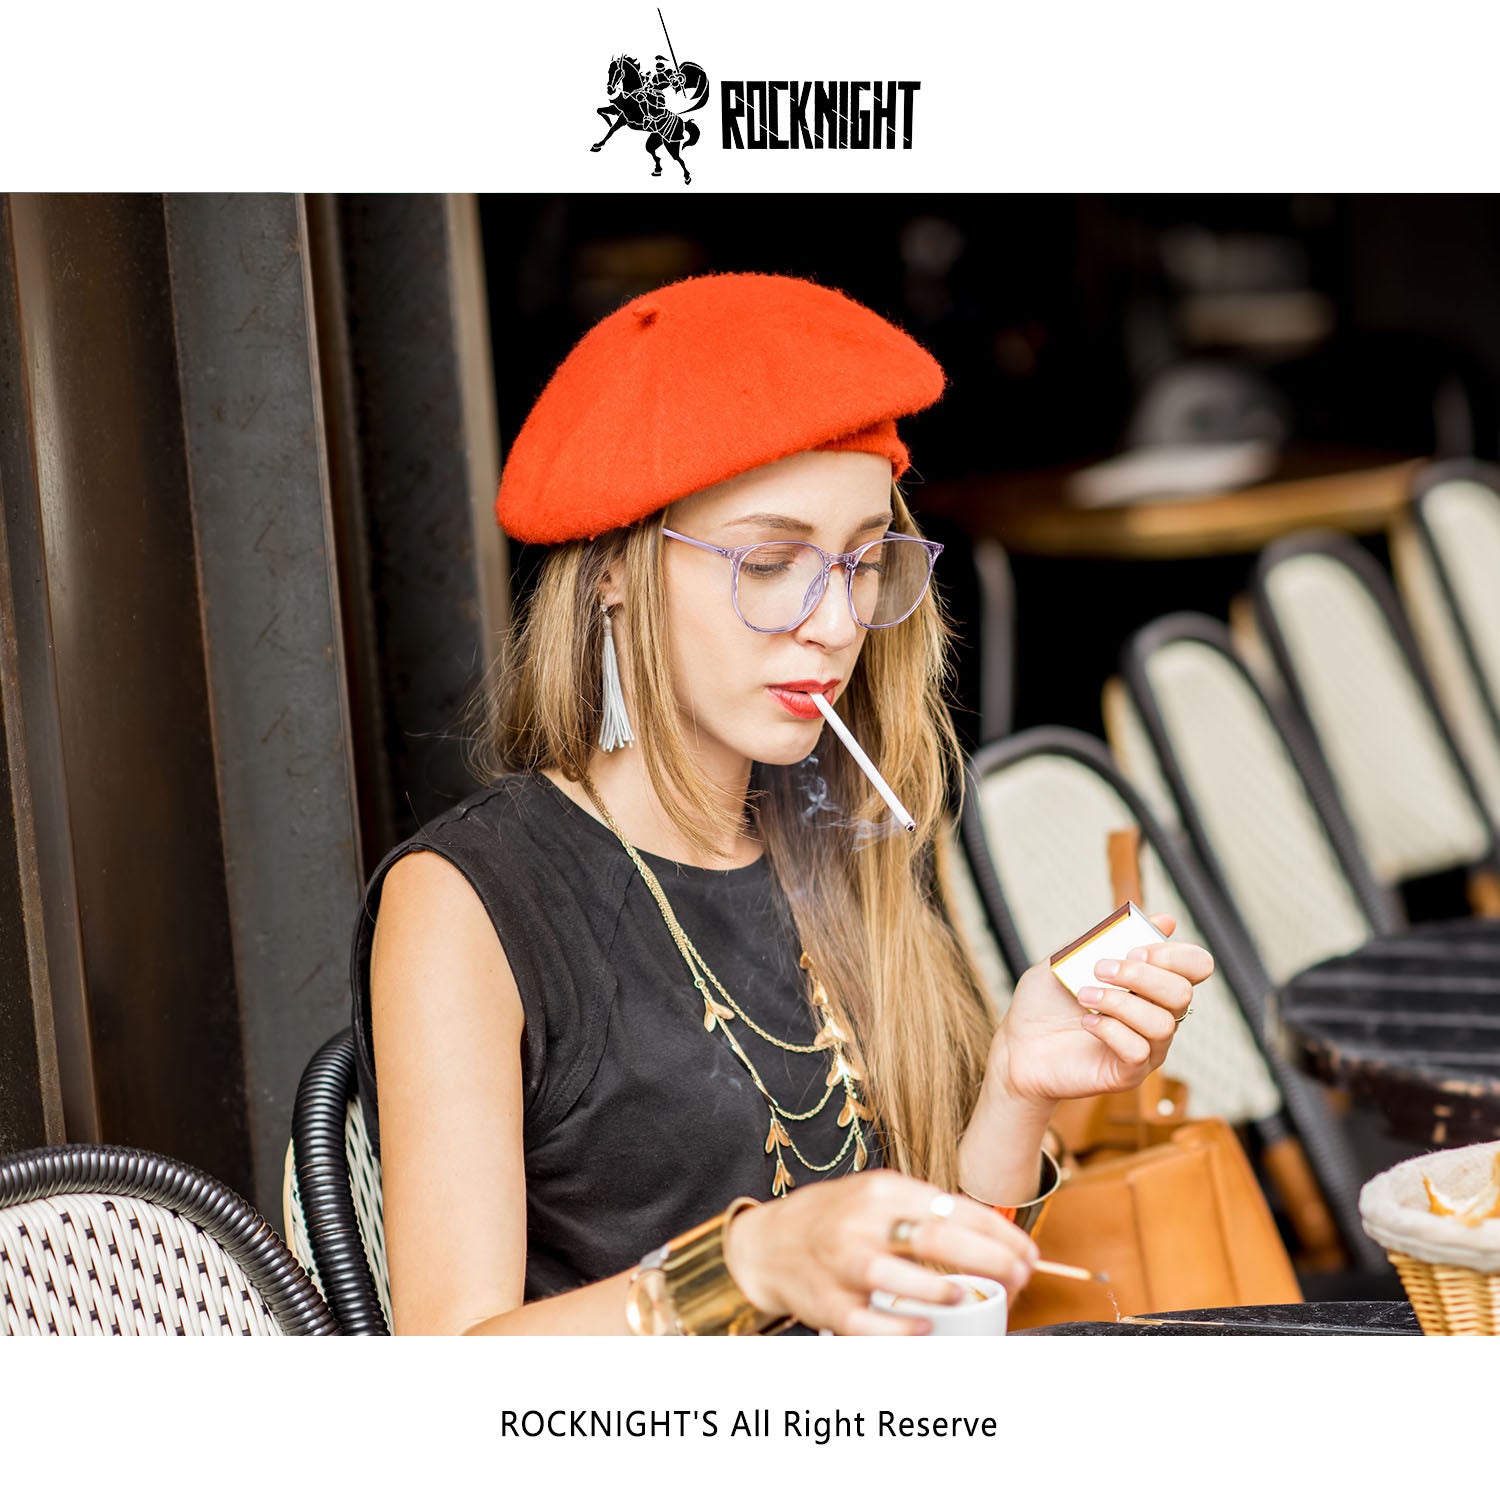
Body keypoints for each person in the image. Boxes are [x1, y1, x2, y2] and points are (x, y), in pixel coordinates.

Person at [352, 272, 1213, 1335]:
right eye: (770, 562)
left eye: (863, 561)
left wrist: (1017, 1093)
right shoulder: (468, 902)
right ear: (613, 568)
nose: (837, 623)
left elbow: (928, 1311)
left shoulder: (842, 830)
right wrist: (749, 1262)